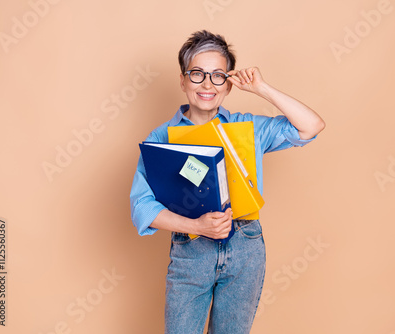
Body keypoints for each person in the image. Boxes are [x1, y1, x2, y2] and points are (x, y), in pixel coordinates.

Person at [129, 30, 325, 334]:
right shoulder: (161, 138)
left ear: (228, 85)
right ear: (182, 80)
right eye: (197, 74)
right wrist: (196, 227)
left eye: (218, 75)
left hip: (245, 248)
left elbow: (311, 126)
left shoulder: (248, 128)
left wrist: (262, 89)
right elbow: (142, 206)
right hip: (191, 251)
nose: (207, 84)